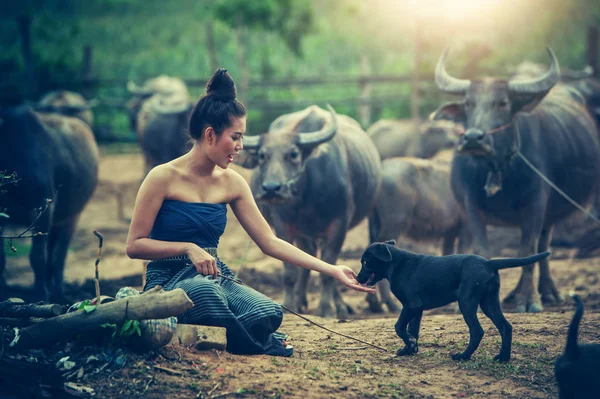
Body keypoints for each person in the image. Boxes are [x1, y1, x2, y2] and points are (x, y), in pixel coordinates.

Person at [126, 68, 375, 357]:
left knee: (268, 311)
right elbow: (134, 246)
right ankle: (257, 343)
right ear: (210, 135)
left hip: (214, 278)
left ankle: (231, 332)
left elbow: (270, 242)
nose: (242, 147)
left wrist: (331, 269)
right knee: (206, 295)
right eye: (235, 137)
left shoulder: (233, 182)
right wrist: (188, 248)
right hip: (167, 281)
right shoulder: (161, 177)